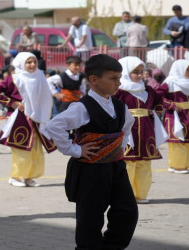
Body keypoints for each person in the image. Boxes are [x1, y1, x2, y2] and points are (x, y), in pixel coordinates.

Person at [43, 54, 137, 250]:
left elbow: (127, 126)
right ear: (94, 80)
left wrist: (117, 147)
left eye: (119, 78)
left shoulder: (119, 106)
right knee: (90, 218)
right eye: (113, 78)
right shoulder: (82, 107)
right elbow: (54, 126)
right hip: (90, 171)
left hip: (116, 167)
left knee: (127, 211)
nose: (118, 83)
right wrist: (74, 149)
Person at [0, 52, 56, 187]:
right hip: (19, 118)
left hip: (37, 118)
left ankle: (29, 177)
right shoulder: (13, 79)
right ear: (21, 63)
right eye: (28, 62)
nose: (32, 65)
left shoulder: (40, 76)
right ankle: (16, 177)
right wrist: (12, 103)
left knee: (36, 149)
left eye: (34, 62)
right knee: (21, 149)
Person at [114, 56, 166, 204]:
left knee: (144, 161)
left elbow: (158, 102)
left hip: (145, 128)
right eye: (135, 72)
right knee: (128, 162)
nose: (139, 75)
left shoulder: (148, 89)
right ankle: (126, 195)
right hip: (127, 127)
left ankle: (140, 194)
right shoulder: (119, 90)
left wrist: (155, 111)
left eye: (141, 71)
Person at [157, 59, 189, 174]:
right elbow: (159, 96)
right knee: (176, 140)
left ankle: (185, 164)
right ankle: (176, 165)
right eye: (186, 69)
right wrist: (171, 104)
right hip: (174, 115)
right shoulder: (170, 82)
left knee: (188, 140)